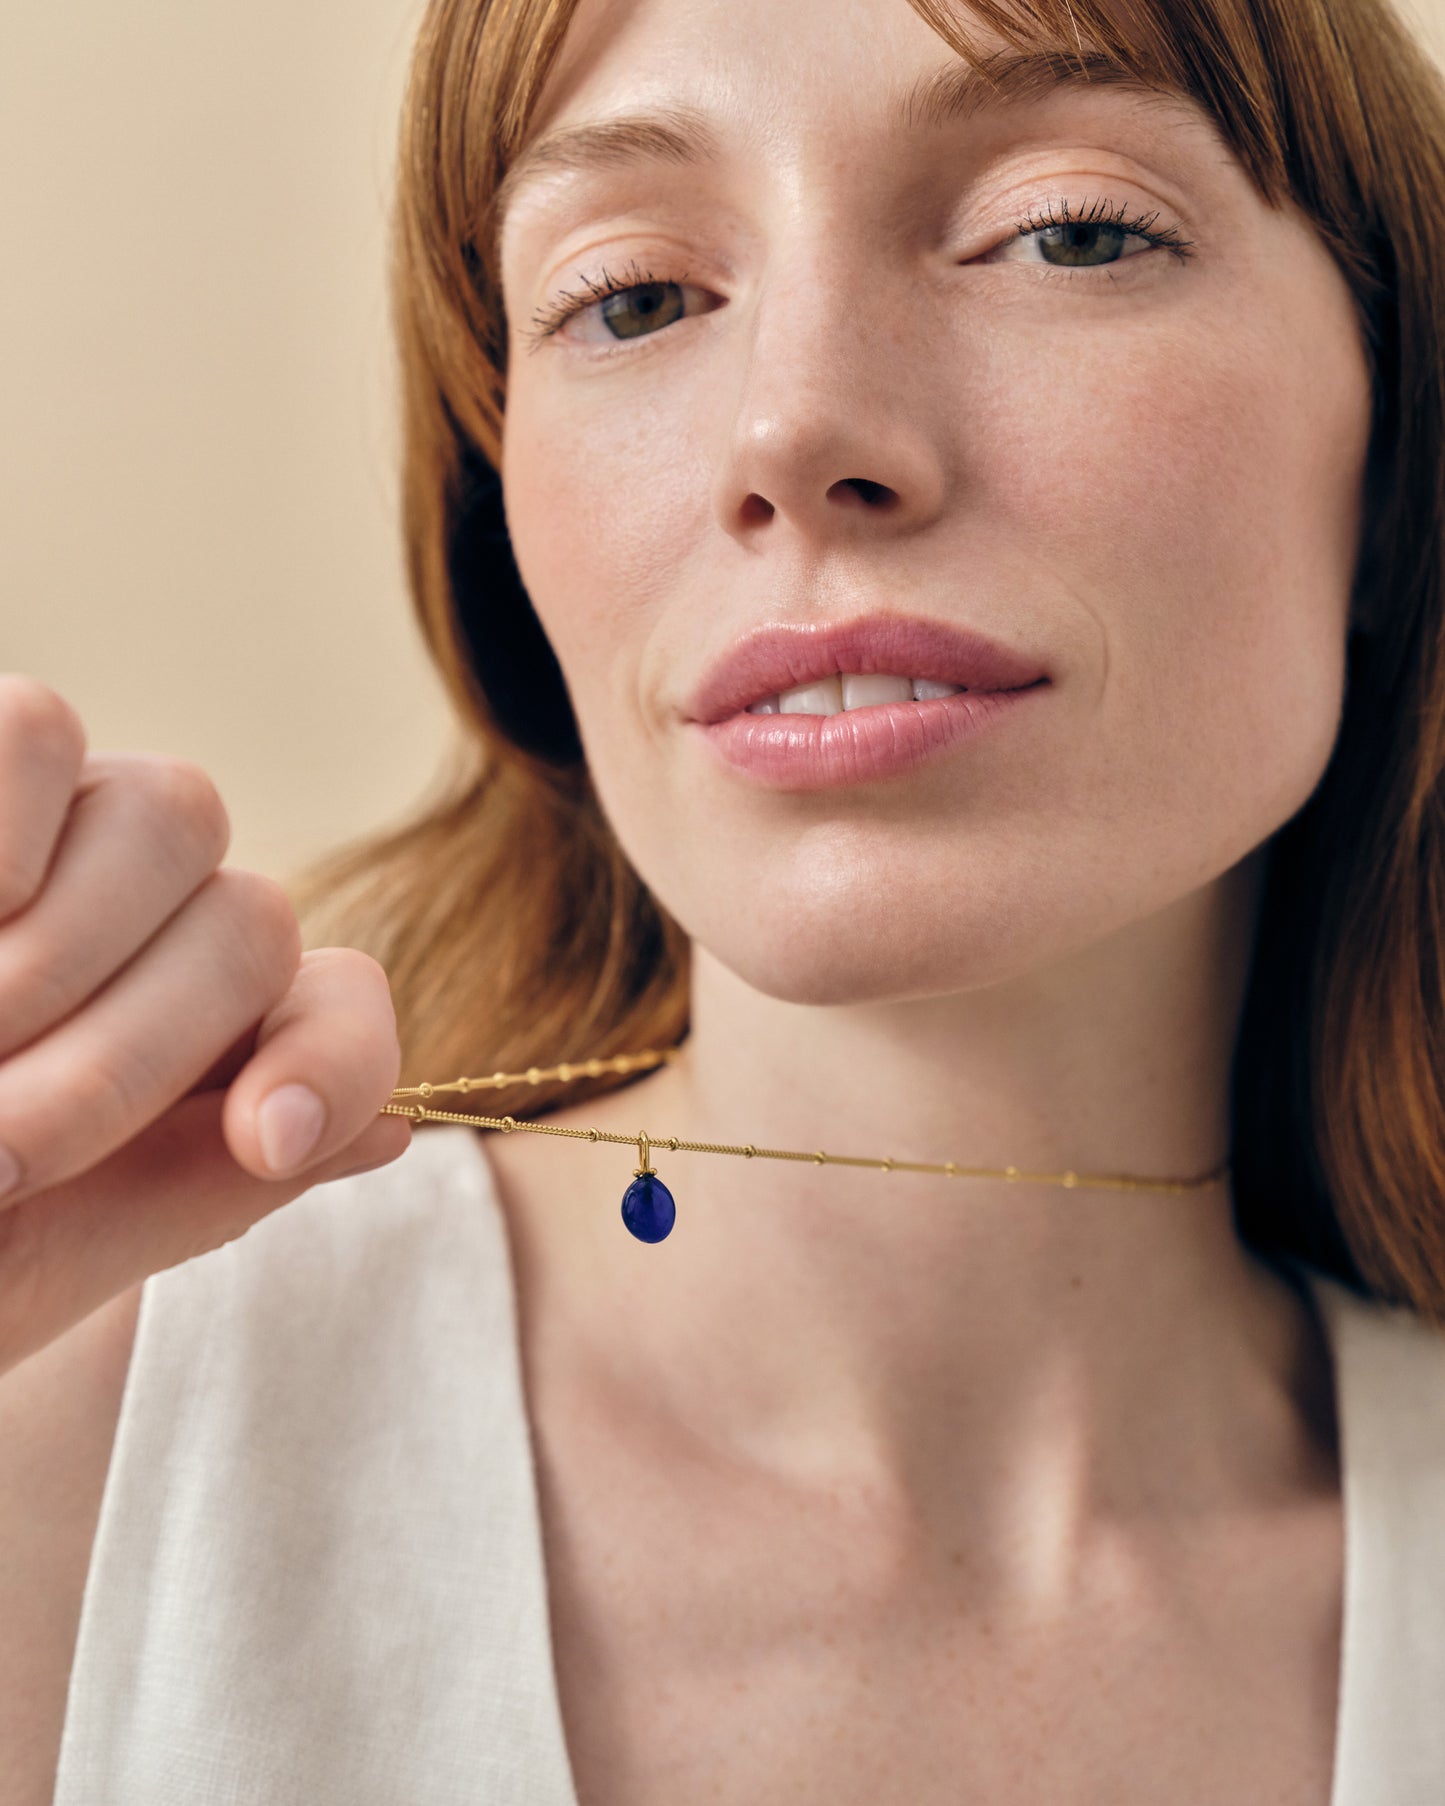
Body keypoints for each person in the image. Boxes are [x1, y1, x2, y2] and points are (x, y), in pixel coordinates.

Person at [4, 0, 1445, 1798]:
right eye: (633, 297)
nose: (793, 426)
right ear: (504, 518)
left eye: (1069, 230)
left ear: (1392, 463)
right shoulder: (74, 1425)